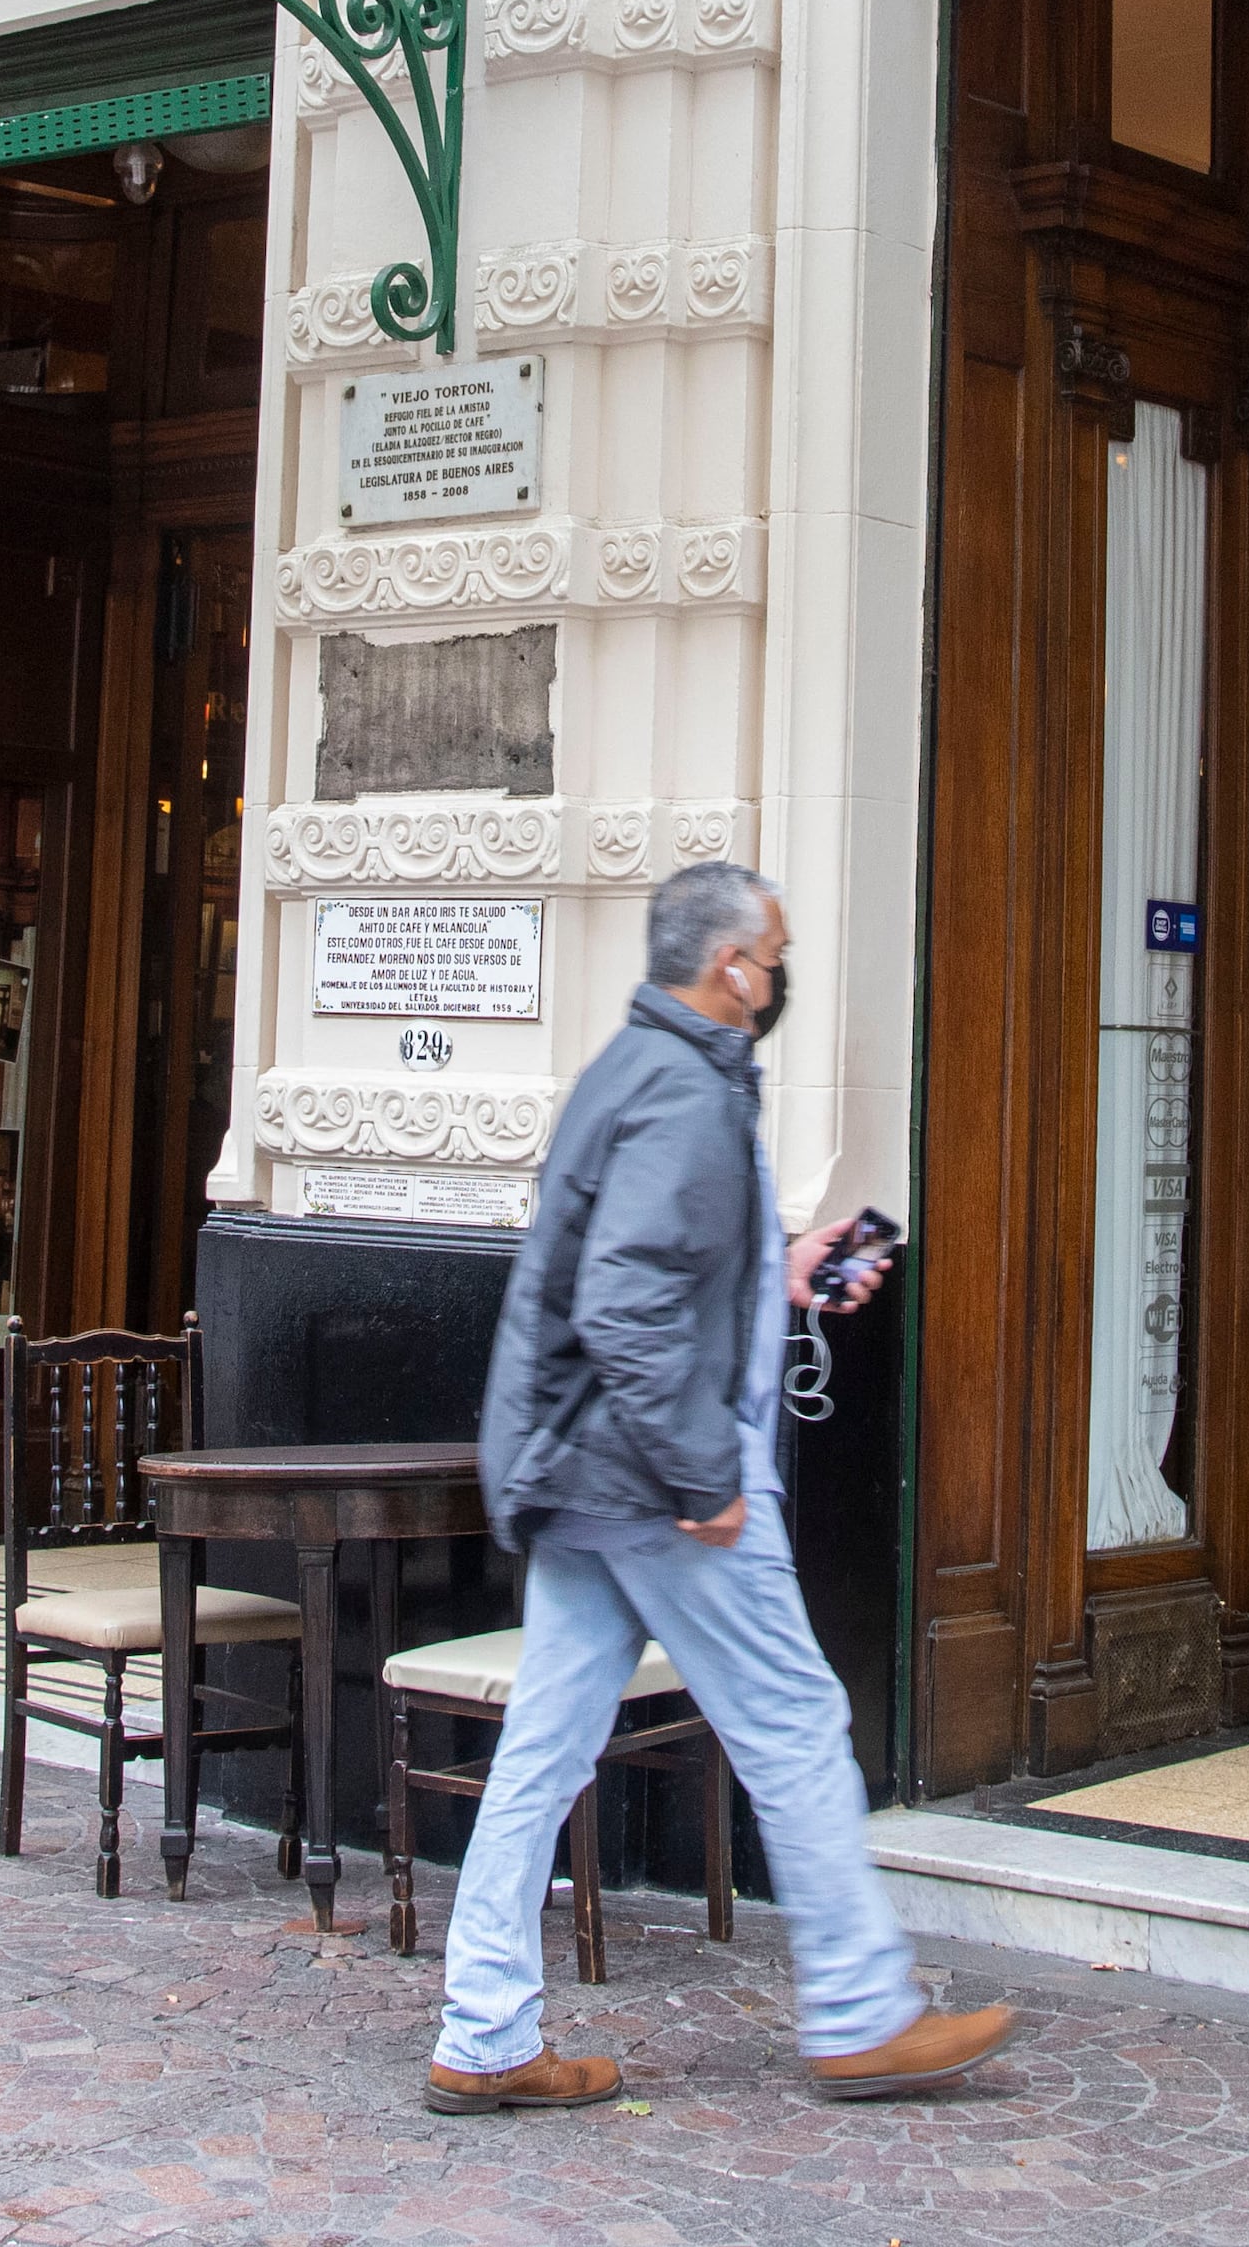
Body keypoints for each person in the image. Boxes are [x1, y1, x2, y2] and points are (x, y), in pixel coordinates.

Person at [429, 861, 1017, 2115]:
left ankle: (481, 2035)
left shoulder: (638, 1074)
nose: (782, 974)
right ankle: (861, 2015)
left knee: (542, 1749)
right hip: (658, 1476)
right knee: (797, 1724)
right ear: (730, 969)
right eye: (776, 952)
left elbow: (644, 1270)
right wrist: (706, 1481)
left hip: (589, 1469)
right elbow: (626, 1308)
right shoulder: (687, 1096)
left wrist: (785, 1267)